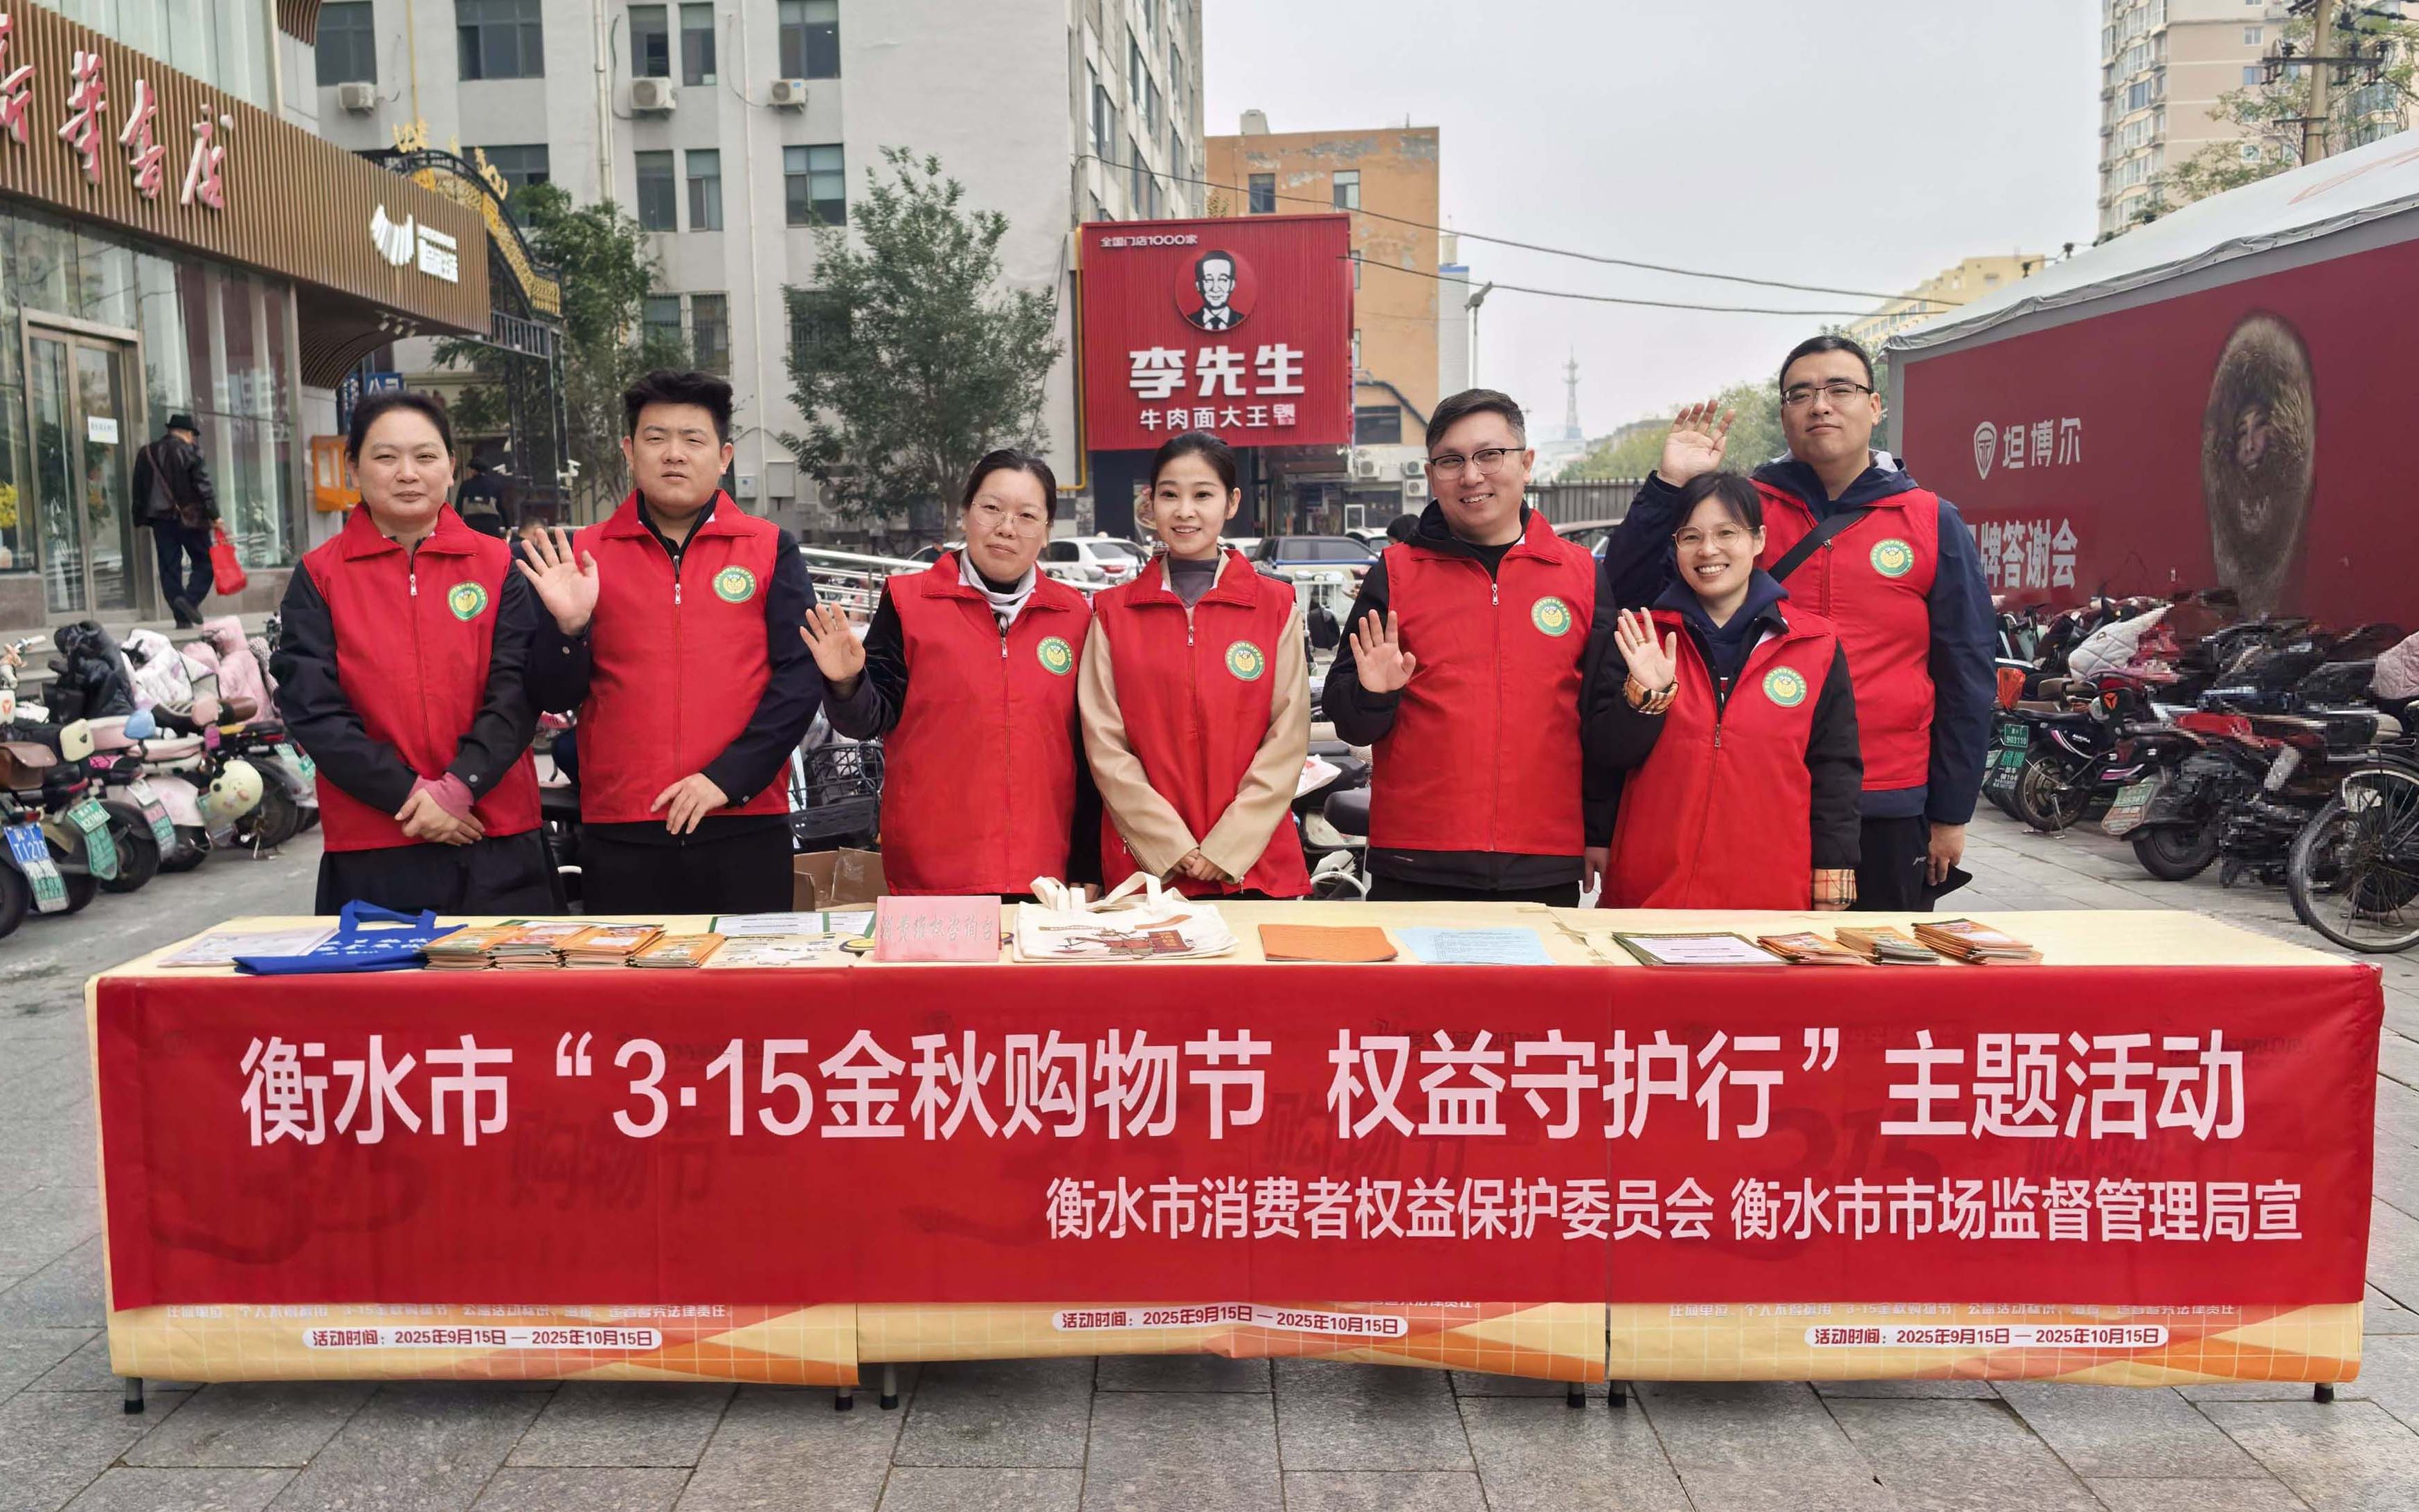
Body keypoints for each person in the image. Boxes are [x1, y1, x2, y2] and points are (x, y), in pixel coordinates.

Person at [1603, 336, 1993, 910]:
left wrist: (1951, 812)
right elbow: (1627, 595)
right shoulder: (1741, 513)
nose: (1820, 406)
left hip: (1885, 799)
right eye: (1801, 394)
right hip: (1753, 796)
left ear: (1875, 406)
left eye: (1840, 389)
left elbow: (1967, 671)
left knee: (1876, 965)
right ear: (1783, 413)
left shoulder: (1931, 520)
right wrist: (1669, 487)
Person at [519, 370, 822, 915]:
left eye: (693, 439)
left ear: (724, 456)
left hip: (744, 824)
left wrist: (726, 780)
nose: (674, 454)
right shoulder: (583, 556)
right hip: (623, 827)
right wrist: (569, 629)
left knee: (746, 972)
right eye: (656, 438)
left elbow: (800, 680)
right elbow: (552, 693)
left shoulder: (770, 549)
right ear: (629, 451)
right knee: (631, 973)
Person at [269, 390, 556, 914]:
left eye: (425, 456)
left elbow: (516, 692)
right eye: (386, 457)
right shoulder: (319, 575)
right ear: (354, 468)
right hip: (376, 841)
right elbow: (312, 708)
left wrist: (459, 787)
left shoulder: (498, 565)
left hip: (495, 833)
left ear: (451, 467)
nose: (407, 474)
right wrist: (409, 796)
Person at [1321, 388, 1601, 905]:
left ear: (1526, 463)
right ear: (1432, 475)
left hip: (1542, 859)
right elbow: (1351, 723)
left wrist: (1600, 829)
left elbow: (1599, 720)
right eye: (1451, 461)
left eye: (1489, 455)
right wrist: (1374, 695)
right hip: (1416, 860)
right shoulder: (1397, 573)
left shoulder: (1581, 575)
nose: (1471, 476)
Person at [801, 451, 1093, 896]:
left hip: (1045, 871)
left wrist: (1087, 861)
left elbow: (1091, 753)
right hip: (933, 870)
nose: (1007, 527)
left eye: (1027, 516)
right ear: (965, 514)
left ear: (1047, 531)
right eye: (991, 508)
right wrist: (846, 682)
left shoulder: (1075, 615)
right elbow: (867, 719)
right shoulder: (908, 602)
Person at [1585, 472, 1861, 909]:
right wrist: (1646, 698)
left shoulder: (1814, 644)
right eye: (1691, 536)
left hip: (1770, 894)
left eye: (1726, 533)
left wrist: (1834, 872)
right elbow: (1605, 756)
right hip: (1652, 893)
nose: (1708, 550)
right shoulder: (1641, 637)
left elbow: (1835, 768)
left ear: (1758, 539)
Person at [1080, 431, 1310, 897]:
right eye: (1170, 495)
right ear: (1150, 503)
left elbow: (1288, 737)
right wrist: (1169, 844)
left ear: (1231, 502)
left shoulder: (1275, 607)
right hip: (1148, 872)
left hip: (1256, 868)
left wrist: (1229, 846)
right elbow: (1105, 744)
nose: (1185, 511)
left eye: (1203, 495)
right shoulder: (1112, 613)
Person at [131, 412, 217, 626]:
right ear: (187, 433)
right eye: (192, 435)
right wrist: (215, 515)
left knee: (169, 567)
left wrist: (140, 516)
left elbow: (138, 489)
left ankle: (182, 618)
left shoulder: (147, 453)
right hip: (191, 517)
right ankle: (189, 601)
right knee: (206, 562)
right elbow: (203, 487)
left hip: (160, 519)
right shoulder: (191, 451)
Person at [454, 456, 511, 539]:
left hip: (471, 524)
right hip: (491, 525)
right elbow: (502, 507)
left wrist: (456, 527)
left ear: (473, 470)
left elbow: (458, 507)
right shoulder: (494, 485)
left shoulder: (465, 485)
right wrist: (508, 527)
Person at [1185, 250, 1242, 331]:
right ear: (1198, 285)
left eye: (1223, 279)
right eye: (1209, 280)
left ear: (1232, 284)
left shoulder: (1241, 320)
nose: (1215, 289)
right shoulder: (1189, 321)